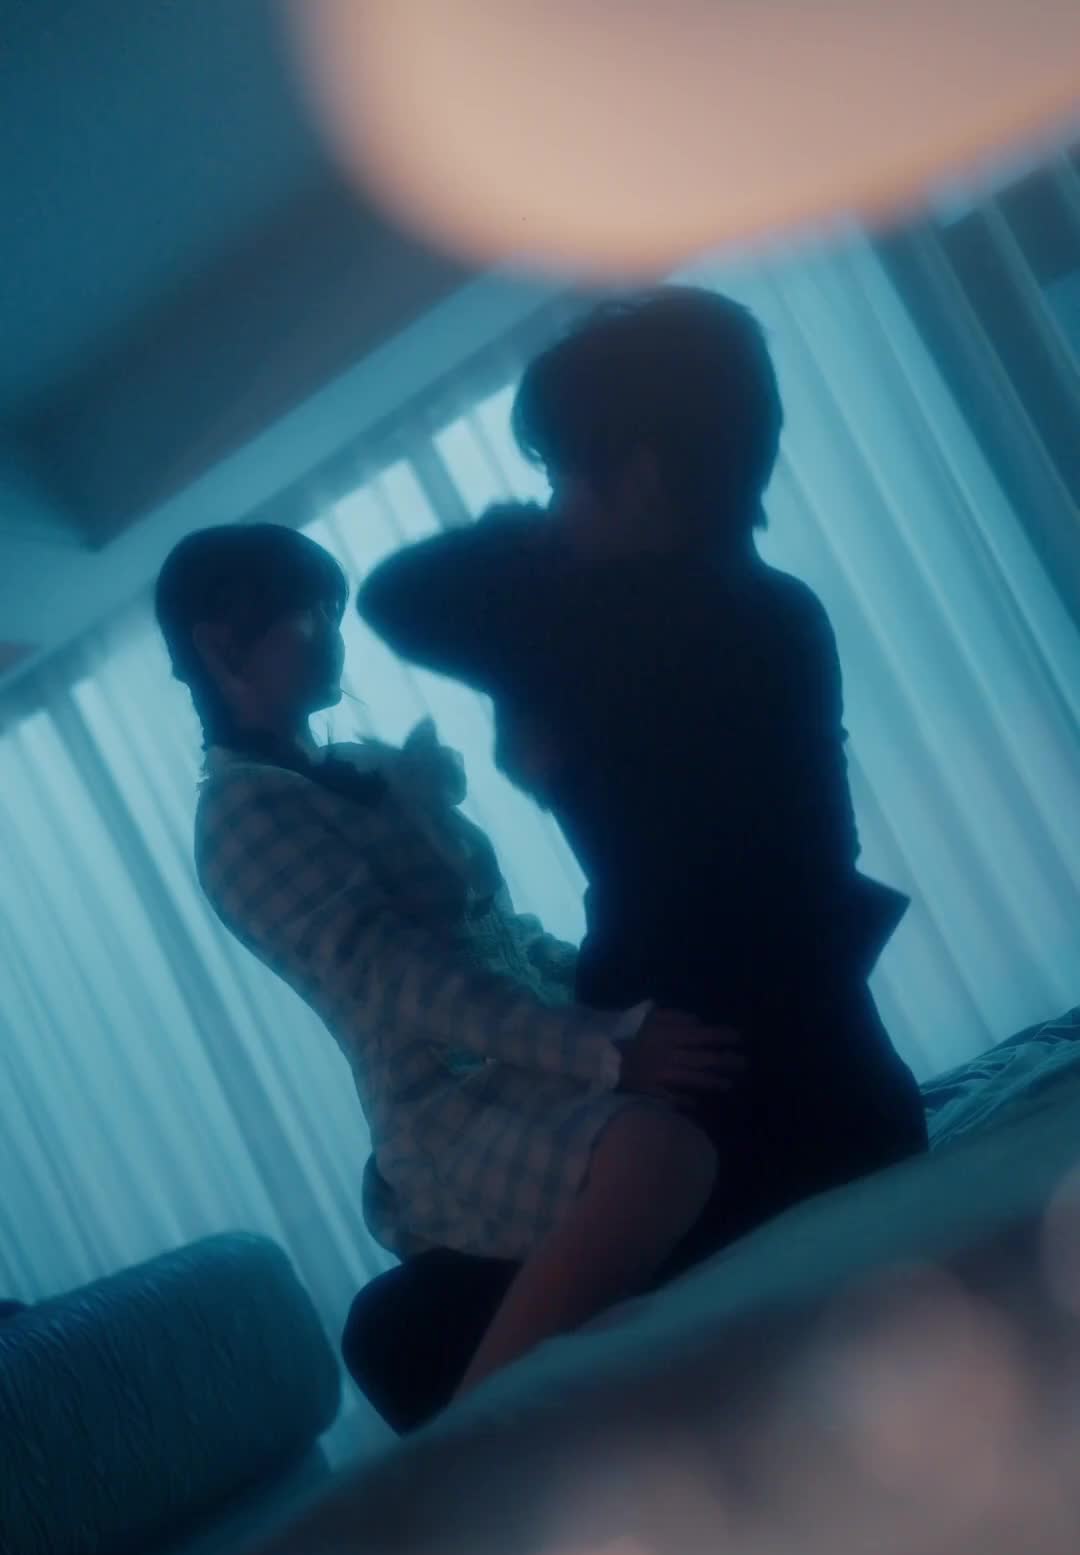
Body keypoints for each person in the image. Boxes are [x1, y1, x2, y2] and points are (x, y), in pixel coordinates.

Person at [358, 288, 928, 1258]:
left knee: (405, 1314)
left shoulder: (583, 625)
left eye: (561, 478)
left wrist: (526, 585)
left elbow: (396, 595)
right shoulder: (782, 613)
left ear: (644, 476)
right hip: (838, 1069)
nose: (550, 508)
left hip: (698, 1086)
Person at [154, 521, 739, 1399]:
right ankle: (478, 1432)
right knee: (660, 1156)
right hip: (449, 1104)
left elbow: (498, 932)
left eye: (333, 611)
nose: (333, 634)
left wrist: (614, 986)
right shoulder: (241, 817)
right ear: (221, 644)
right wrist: (606, 1046)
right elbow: (403, 983)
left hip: (529, 1059)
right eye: (308, 615)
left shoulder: (363, 768)